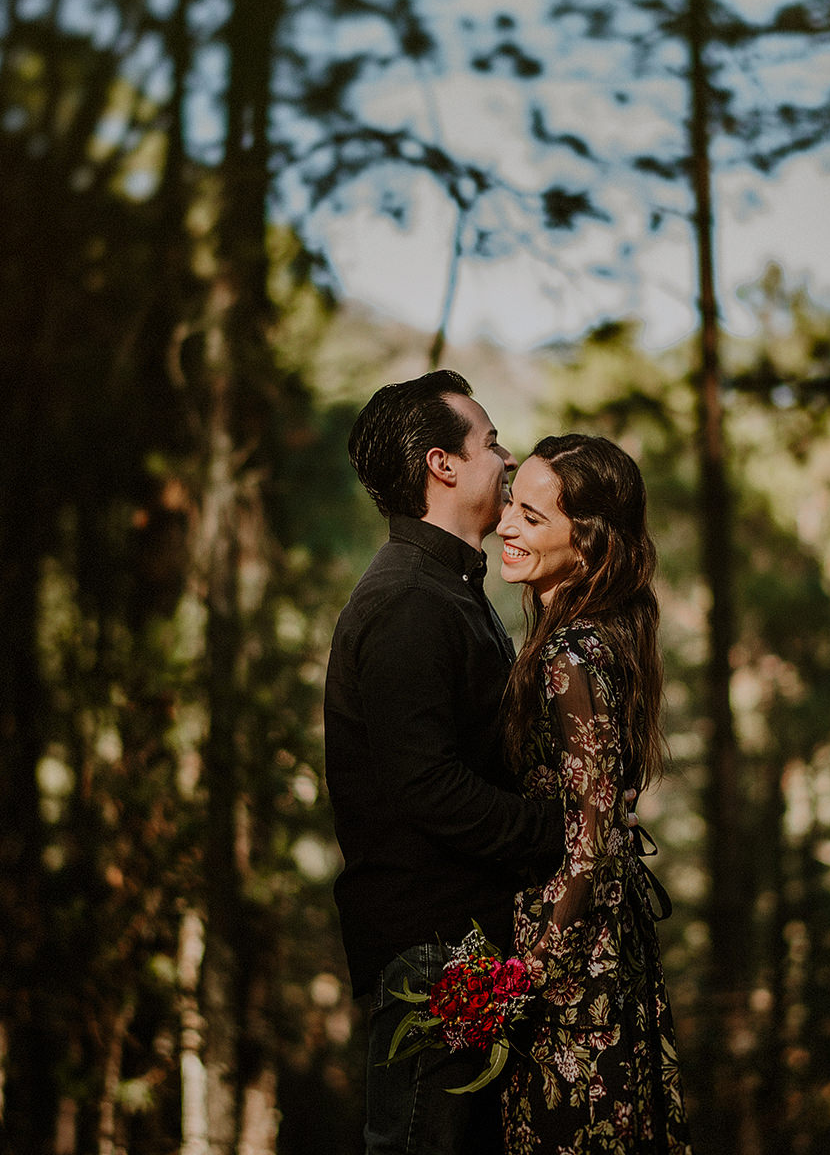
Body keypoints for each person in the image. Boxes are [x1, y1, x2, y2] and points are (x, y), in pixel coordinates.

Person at [324, 370, 565, 1155]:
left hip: (465, 942)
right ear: (443, 465)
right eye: (490, 441)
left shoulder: (449, 592)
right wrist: (556, 830)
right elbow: (427, 785)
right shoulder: (408, 603)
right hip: (436, 952)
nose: (506, 457)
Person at [494, 433, 692, 1155]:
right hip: (607, 946)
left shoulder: (569, 655)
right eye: (511, 506)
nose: (506, 527)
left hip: (573, 965)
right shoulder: (606, 636)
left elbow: (592, 832)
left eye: (532, 518)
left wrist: (530, 976)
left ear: (586, 547)